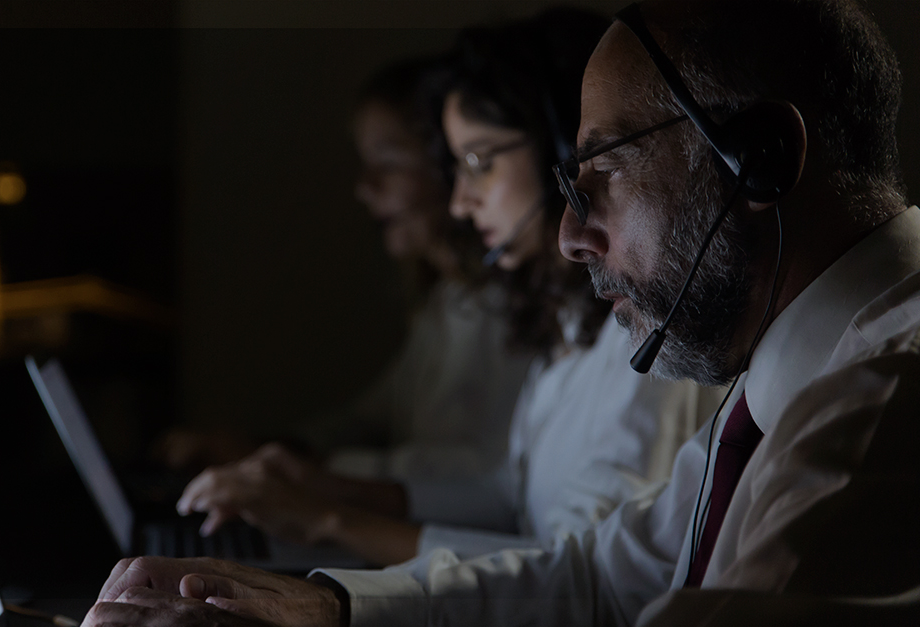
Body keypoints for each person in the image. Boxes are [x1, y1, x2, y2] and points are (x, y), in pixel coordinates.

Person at [82, 0, 920, 625]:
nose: (570, 234)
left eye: (601, 173)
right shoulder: (778, 384)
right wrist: (328, 606)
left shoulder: (876, 414)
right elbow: (602, 578)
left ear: (759, 162)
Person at [171, 10, 712, 569]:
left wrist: (332, 521)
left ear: (561, 152)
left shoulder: (648, 344)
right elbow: (508, 490)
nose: (459, 203)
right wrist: (331, 488)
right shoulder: (570, 325)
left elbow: (579, 575)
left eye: (479, 163)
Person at [158, 56, 535, 482]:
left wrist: (308, 469)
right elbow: (369, 417)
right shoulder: (446, 301)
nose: (365, 187)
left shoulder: (508, 309)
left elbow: (487, 473)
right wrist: (267, 451)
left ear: (447, 165)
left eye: (388, 162)